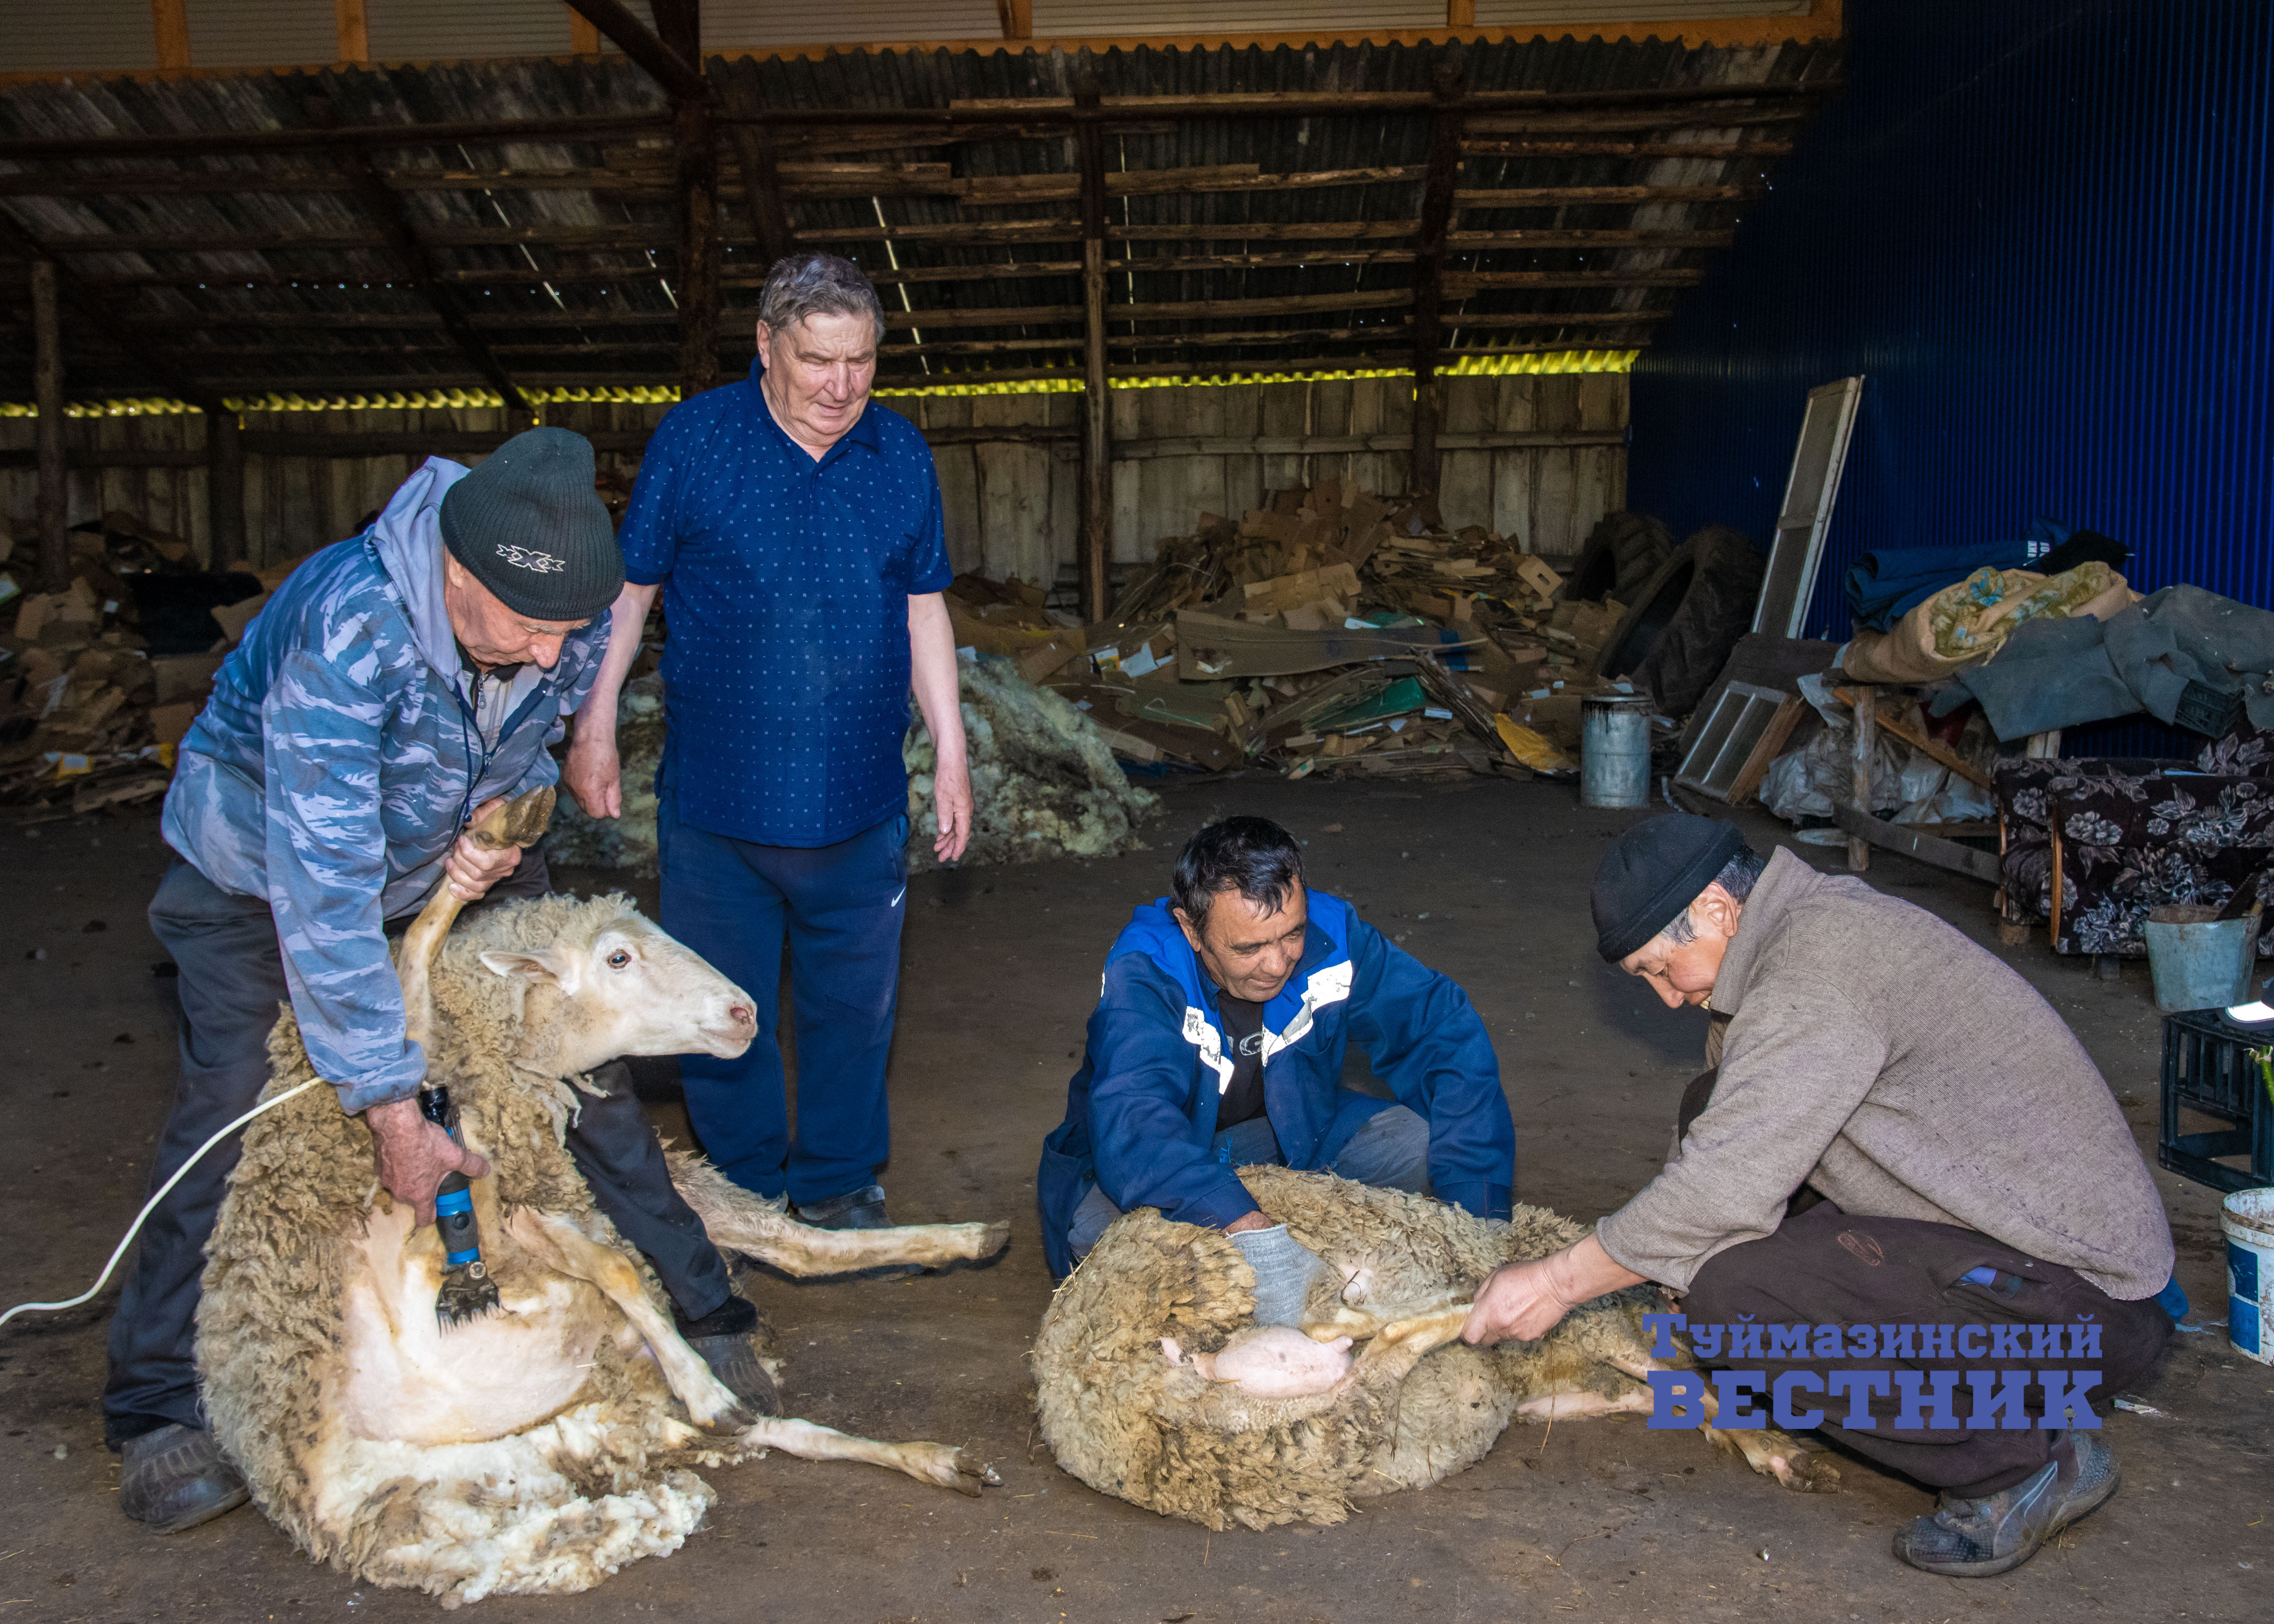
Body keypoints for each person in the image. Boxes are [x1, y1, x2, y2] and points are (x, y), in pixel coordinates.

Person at [109, 429, 774, 1535]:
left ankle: (708, 1306)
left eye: (568, 632)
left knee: (583, 1066)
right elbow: (324, 894)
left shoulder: (559, 611)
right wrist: (390, 1104)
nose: (550, 652)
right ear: (455, 573)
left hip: (451, 855)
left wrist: (499, 826)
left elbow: (532, 739)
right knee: (235, 1100)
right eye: (527, 628)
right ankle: (153, 1401)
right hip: (262, 874)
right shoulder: (347, 629)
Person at [1463, 813, 2177, 1579]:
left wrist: (1556, 1282)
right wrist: (1664, 1266)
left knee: (1735, 1299)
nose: (1667, 998)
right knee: (1713, 1129)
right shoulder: (1786, 940)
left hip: (2083, 1317)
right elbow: (1719, 1131)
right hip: (2024, 1267)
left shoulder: (1817, 971)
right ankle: (1900, 1383)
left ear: (1716, 908)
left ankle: (2018, 1470)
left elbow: (1719, 1188)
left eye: (1661, 969)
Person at [566, 251, 970, 1240]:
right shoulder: (697, 441)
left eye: (860, 361)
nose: (841, 385)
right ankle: (744, 1187)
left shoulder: (899, 453)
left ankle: (837, 1181)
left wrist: (953, 752)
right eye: (817, 360)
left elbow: (924, 608)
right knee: (720, 1008)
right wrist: (595, 722)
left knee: (853, 1011)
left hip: (860, 800)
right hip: (720, 805)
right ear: (765, 345)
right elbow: (632, 592)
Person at [1037, 816, 1517, 1320]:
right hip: (1160, 1150)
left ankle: (1286, 1238)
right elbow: (1135, 1120)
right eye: (1248, 948)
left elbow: (1443, 1033)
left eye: (1292, 934)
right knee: (1103, 1239)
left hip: (1291, 1132)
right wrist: (1247, 1228)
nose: (1277, 964)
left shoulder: (1334, 934)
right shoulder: (1147, 970)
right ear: (1191, 928)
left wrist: (1478, 1218)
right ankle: (1257, 1226)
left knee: (1415, 1144)